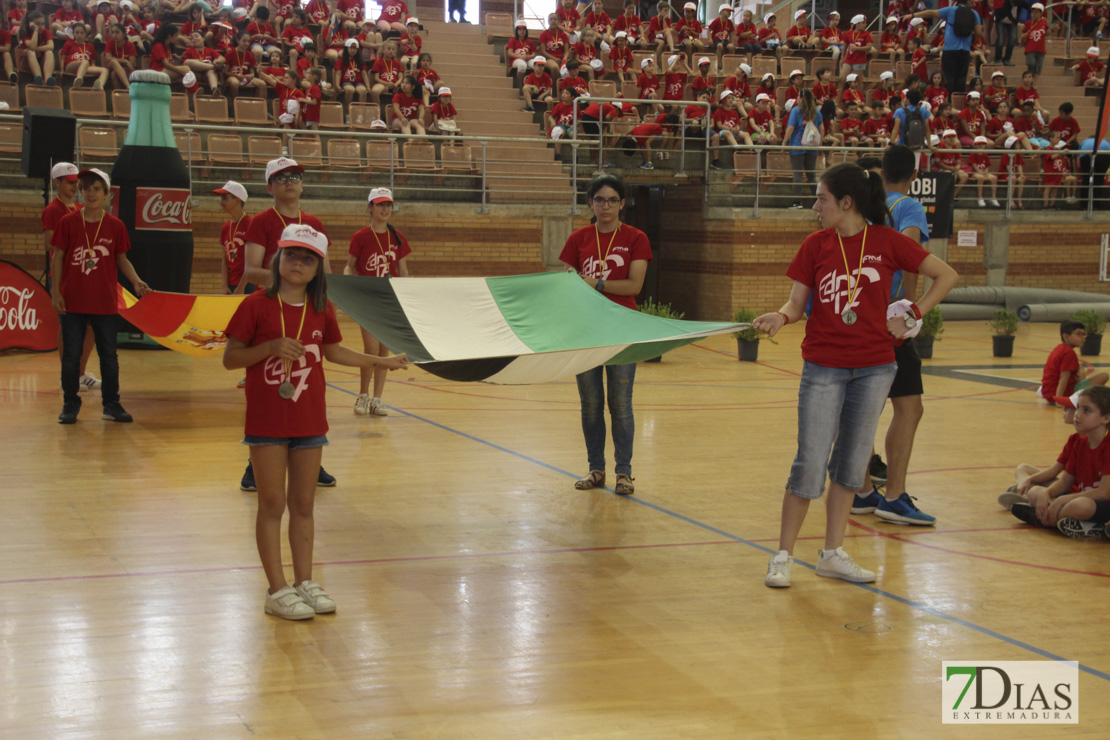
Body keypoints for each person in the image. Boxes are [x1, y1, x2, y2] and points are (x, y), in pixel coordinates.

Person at [754, 163, 958, 588]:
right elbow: (796, 302)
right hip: (823, 367)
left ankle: (832, 553)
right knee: (809, 461)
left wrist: (914, 314)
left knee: (850, 464)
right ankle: (783, 555)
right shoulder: (815, 245)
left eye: (821, 199)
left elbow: (946, 275)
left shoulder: (887, 242)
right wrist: (781, 316)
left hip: (875, 368)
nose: (815, 207)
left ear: (845, 203)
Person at [223, 224, 409, 620]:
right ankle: (276, 589)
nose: (298, 263)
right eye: (291, 254)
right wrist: (270, 348)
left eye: (308, 259)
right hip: (268, 420)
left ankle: (305, 581)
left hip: (309, 420)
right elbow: (231, 358)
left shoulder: (321, 308)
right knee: (272, 504)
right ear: (278, 259)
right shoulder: (255, 305)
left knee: (304, 504)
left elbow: (334, 352)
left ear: (317, 268)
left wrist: (381, 361)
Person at [852, 146, 939, 526]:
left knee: (859, 409)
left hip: (855, 316)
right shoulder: (909, 207)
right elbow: (910, 255)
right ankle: (894, 495)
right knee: (908, 407)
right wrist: (907, 309)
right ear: (915, 171)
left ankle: (860, 490)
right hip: (888, 320)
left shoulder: (859, 205)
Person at [240, 157, 335, 492]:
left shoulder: (314, 222)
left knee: (305, 383)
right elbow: (250, 269)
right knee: (271, 386)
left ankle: (310, 456)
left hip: (304, 309)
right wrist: (291, 280)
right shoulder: (262, 221)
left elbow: (325, 271)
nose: (290, 182)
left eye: (295, 176)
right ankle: (256, 464)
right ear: (269, 187)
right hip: (273, 308)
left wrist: (311, 288)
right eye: (281, 178)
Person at [559, 175, 651, 496]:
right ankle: (596, 469)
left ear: (622, 204)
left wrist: (595, 283)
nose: (606, 206)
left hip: (622, 329)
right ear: (591, 203)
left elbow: (634, 286)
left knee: (621, 405)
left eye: (613, 200)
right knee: (591, 405)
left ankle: (623, 473)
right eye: (600, 200)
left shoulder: (636, 238)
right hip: (586, 332)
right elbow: (568, 285)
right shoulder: (578, 238)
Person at [51, 168, 151, 425]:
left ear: (107, 194)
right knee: (72, 355)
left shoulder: (116, 226)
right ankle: (70, 404)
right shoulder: (68, 222)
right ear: (80, 193)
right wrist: (56, 293)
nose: (91, 193)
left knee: (109, 356)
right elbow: (58, 257)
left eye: (97, 189)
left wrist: (136, 281)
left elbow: (122, 259)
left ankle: (111, 405)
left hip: (105, 303)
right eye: (86, 189)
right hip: (73, 301)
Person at [1002, 386, 1110, 537]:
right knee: (1035, 492)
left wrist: (1062, 500)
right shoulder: (1080, 443)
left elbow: (1104, 493)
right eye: (1078, 408)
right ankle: (1070, 521)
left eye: (1087, 410)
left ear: (1106, 418)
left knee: (1081, 505)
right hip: (1079, 497)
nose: (1078, 415)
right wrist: (1048, 493)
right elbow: (1066, 481)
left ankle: (1041, 518)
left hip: (1099, 504)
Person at [344, 188, 411, 416]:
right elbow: (350, 265)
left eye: (389, 205)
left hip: (389, 300)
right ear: (370, 206)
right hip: (367, 300)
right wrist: (349, 286)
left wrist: (406, 296)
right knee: (371, 348)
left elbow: (402, 269)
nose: (385, 209)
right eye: (380, 204)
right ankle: (362, 395)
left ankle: (377, 399)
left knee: (384, 350)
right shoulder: (360, 236)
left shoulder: (397, 236)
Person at [42, 162, 101, 394]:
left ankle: (80, 372)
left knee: (90, 326)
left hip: (84, 273)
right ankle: (66, 375)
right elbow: (49, 243)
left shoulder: (79, 206)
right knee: (68, 326)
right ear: (57, 182)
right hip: (65, 274)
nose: (75, 185)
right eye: (70, 182)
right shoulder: (53, 210)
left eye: (77, 182)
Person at [910, 0, 982, 95]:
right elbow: (979, 33)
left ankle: (949, 101)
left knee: (949, 76)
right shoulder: (974, 13)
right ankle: (958, 99)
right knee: (961, 77)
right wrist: (971, 41)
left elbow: (930, 12)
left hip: (950, 49)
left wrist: (911, 15)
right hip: (965, 50)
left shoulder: (951, 10)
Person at [1039, 320, 1109, 403]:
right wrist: (1059, 400)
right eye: (1079, 334)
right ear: (1066, 337)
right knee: (1104, 376)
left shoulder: (1059, 348)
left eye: (1084, 334)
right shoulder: (1068, 353)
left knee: (1081, 369)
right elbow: (1063, 378)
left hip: (1049, 393)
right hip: (1062, 395)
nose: (1083, 337)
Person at [782, 89, 822, 210]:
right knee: (811, 176)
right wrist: (820, 144)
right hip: (812, 146)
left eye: (798, 97)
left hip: (797, 146)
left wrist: (784, 143)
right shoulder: (816, 112)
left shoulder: (796, 111)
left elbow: (790, 128)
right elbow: (822, 129)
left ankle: (797, 202)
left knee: (798, 174)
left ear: (801, 98)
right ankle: (818, 202)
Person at [215, 180, 251, 295]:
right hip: (231, 285)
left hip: (249, 284)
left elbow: (252, 261)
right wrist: (224, 286)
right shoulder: (226, 227)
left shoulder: (251, 224)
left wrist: (242, 287)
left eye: (225, 198)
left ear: (237, 200)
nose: (221, 202)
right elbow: (225, 259)